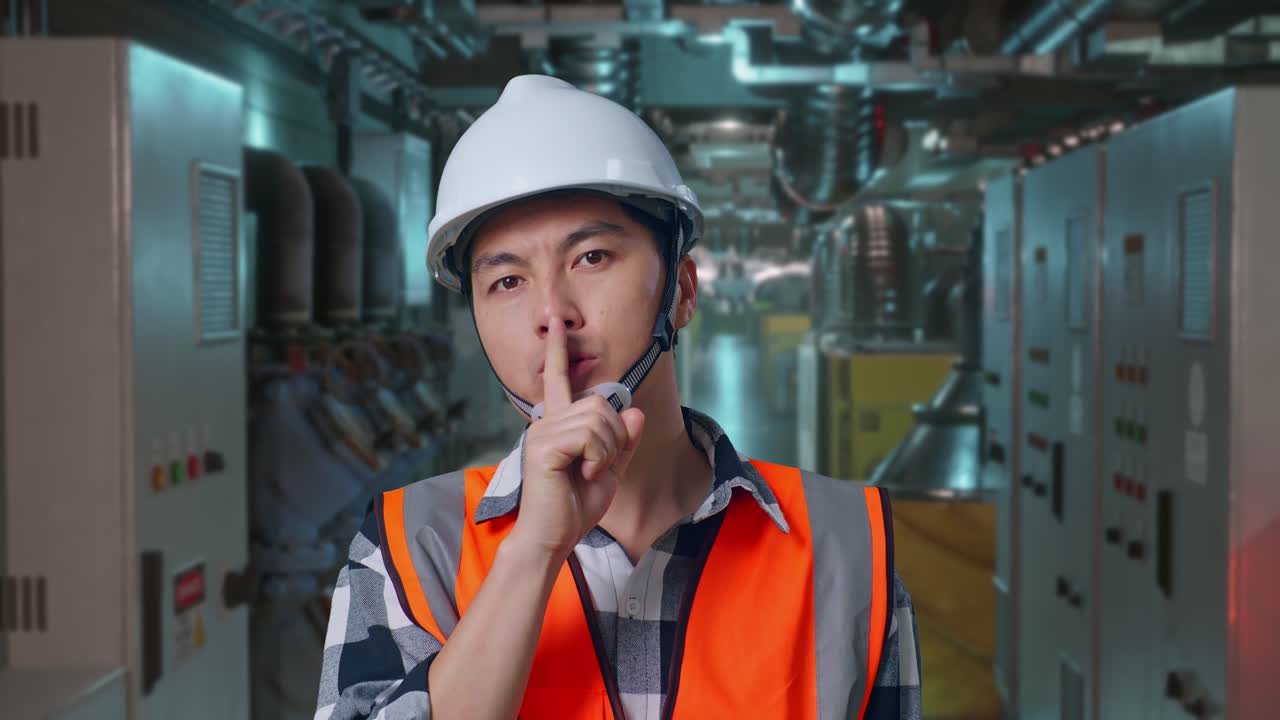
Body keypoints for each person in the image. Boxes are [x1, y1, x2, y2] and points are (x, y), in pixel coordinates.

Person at [314, 74, 922, 720]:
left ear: (683, 291)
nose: (552, 314)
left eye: (592, 257)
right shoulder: (410, 548)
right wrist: (534, 551)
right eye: (508, 281)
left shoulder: (846, 549)